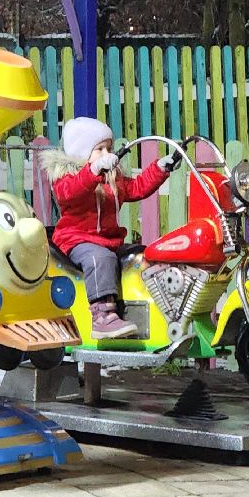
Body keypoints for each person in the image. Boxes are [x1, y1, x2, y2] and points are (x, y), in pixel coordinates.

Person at [40, 117, 178, 339]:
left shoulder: (112, 178)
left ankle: (142, 309)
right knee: (100, 259)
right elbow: (70, 194)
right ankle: (101, 318)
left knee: (141, 255)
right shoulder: (67, 177)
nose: (107, 154)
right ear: (82, 153)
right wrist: (93, 171)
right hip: (76, 240)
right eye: (99, 149)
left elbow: (136, 188)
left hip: (109, 241)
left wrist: (160, 169)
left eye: (109, 148)